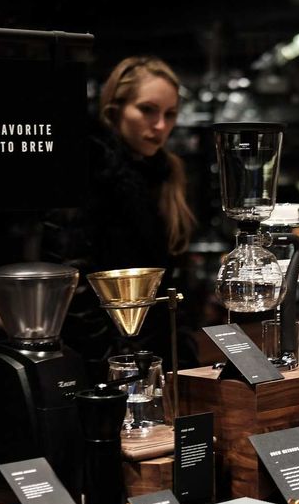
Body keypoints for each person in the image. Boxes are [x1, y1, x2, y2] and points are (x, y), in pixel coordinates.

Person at [42, 56, 197, 379]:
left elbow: (175, 280)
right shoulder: (90, 169)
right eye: (147, 110)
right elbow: (72, 279)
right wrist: (113, 362)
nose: (160, 126)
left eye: (170, 114)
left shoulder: (167, 174)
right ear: (115, 109)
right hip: (102, 360)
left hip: (158, 355)